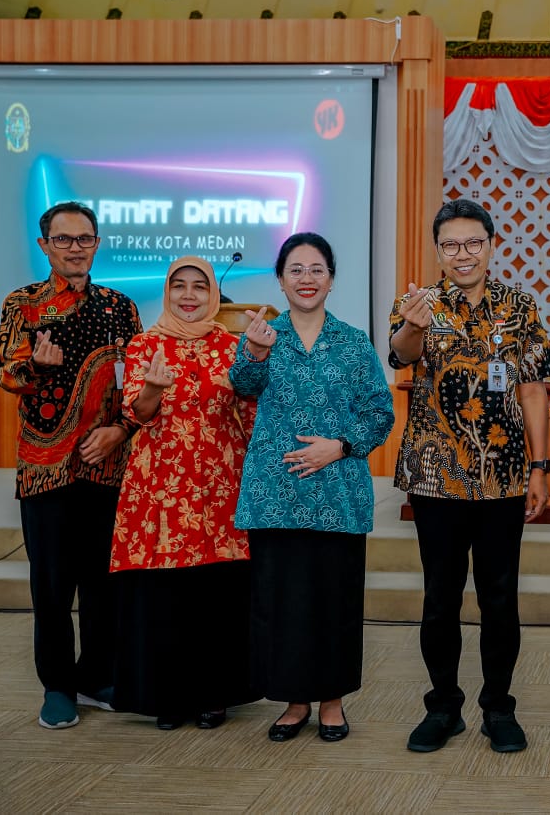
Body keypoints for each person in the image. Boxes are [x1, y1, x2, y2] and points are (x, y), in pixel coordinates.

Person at [389, 198, 550, 754]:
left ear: (490, 245)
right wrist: (413, 326)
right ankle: (443, 707)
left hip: (504, 477)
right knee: (440, 596)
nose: (463, 254)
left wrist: (539, 465)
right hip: (436, 476)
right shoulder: (418, 302)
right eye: (451, 245)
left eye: (473, 243)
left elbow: (532, 387)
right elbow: (400, 354)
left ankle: (498, 708)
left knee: (499, 596)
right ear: (438, 250)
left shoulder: (521, 306)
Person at [230, 233, 394, 743]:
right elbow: (241, 387)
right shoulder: (261, 334)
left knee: (333, 602)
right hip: (274, 494)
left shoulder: (352, 341)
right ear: (280, 279)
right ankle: (294, 700)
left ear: (331, 278)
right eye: (296, 269)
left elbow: (380, 414)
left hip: (337, 496)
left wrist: (340, 445)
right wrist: (255, 354)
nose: (306, 278)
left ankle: (332, 700)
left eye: (317, 269)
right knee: (282, 603)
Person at [0, 200, 143, 729]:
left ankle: (96, 676)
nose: (75, 247)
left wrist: (121, 431)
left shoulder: (120, 307)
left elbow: (137, 384)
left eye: (84, 238)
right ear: (45, 246)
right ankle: (57, 685)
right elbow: (7, 375)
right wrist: (33, 365)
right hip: (45, 466)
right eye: (64, 239)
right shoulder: (24, 305)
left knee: (103, 584)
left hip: (106, 465)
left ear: (97, 243)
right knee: (52, 586)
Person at [109, 256, 257, 730]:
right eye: (179, 286)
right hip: (160, 489)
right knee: (165, 594)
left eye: (199, 286)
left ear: (213, 293)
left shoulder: (232, 346)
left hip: (218, 483)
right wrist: (153, 387)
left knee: (214, 595)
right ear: (167, 292)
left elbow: (251, 414)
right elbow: (139, 411)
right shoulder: (144, 344)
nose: (189, 295)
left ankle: (215, 693)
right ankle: (167, 695)